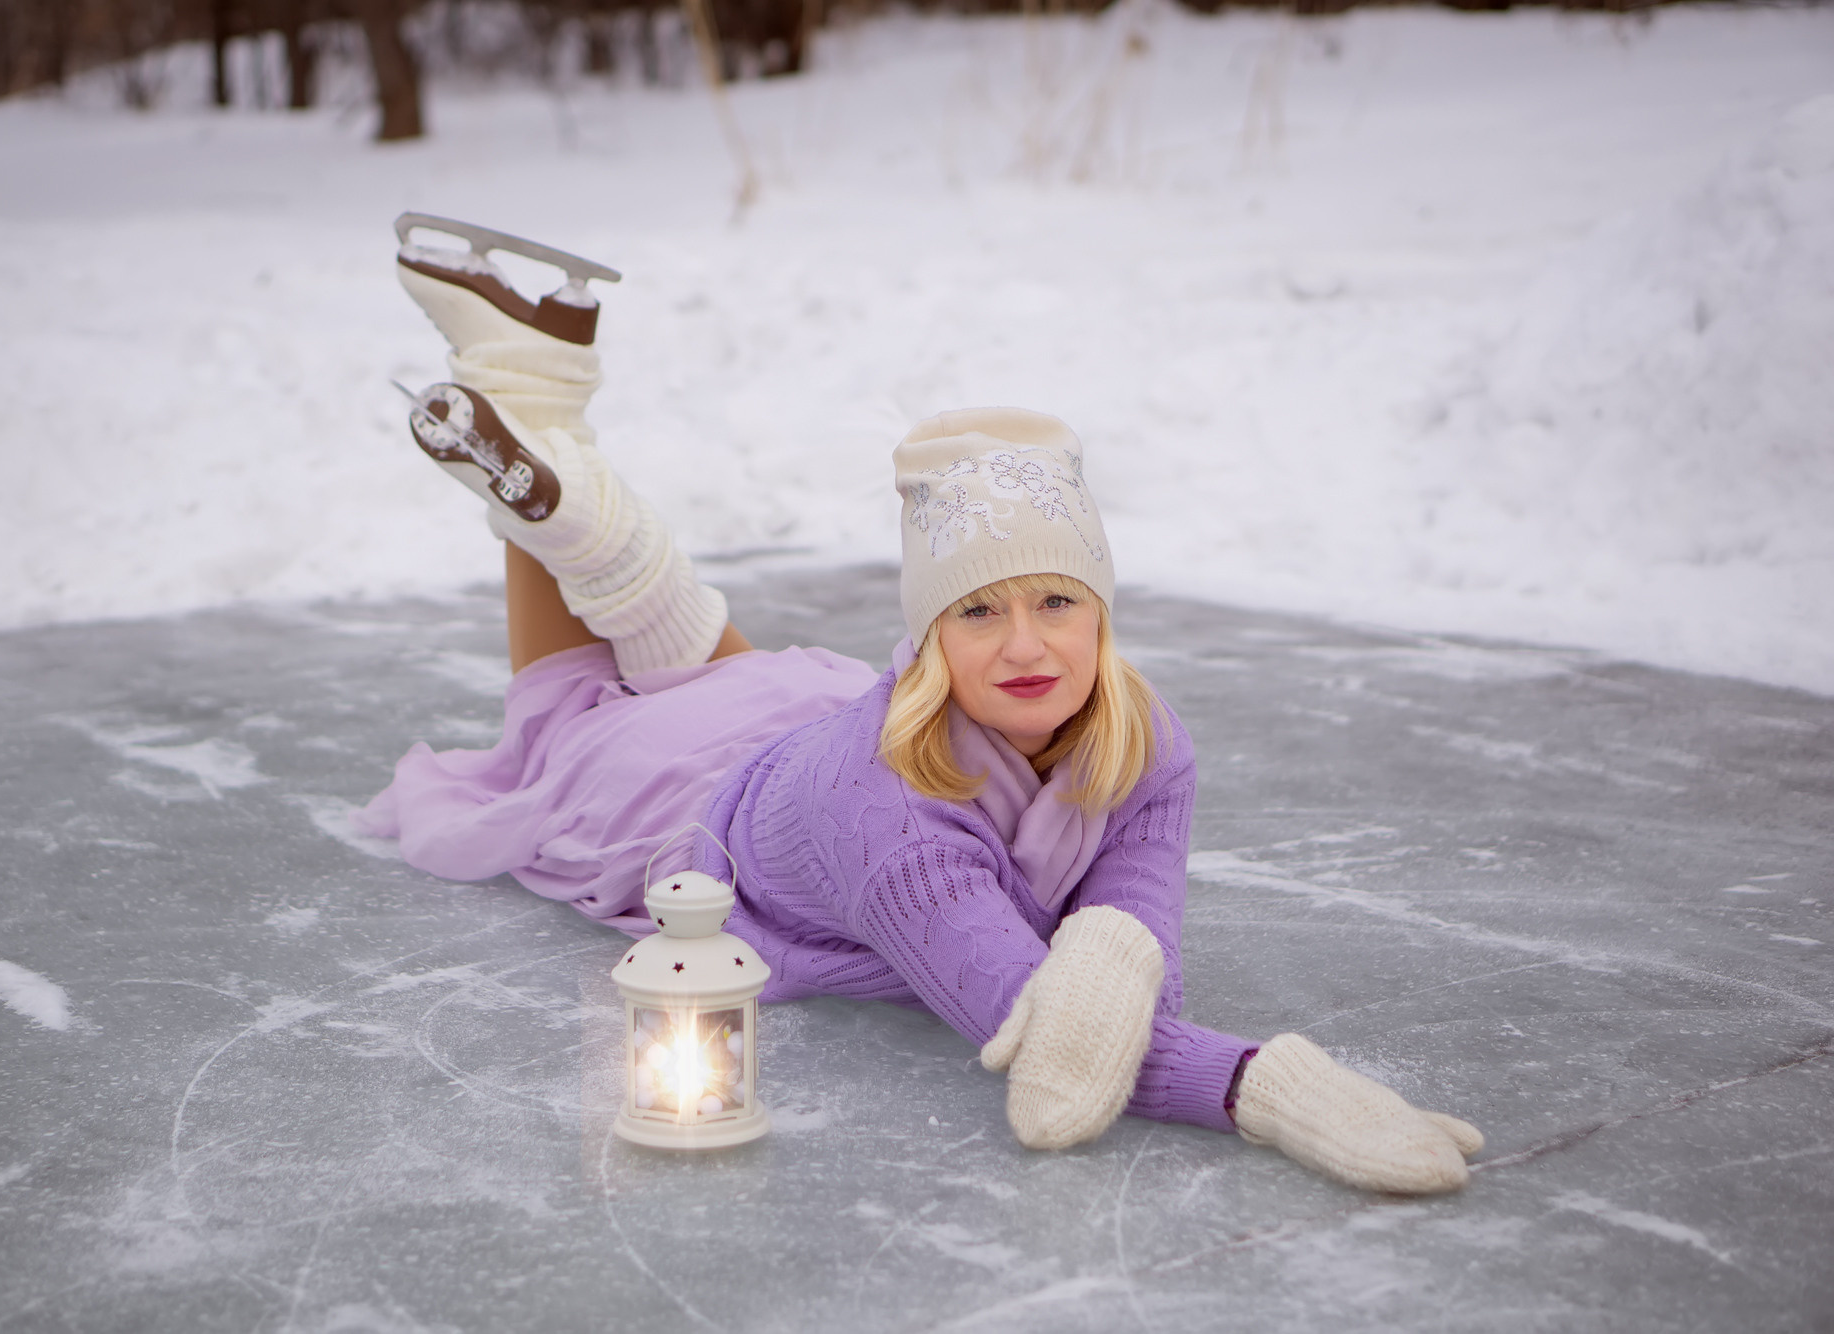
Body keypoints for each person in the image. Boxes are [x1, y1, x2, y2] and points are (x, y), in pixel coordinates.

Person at [360, 220, 1485, 1193]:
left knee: (692, 654)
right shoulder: (893, 829)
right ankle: (548, 443)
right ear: (930, 638)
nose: (1028, 644)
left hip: (799, 721)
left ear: (1103, 614)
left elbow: (1138, 962)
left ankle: (535, 384)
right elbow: (1050, 1029)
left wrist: (1122, 942)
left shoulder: (1143, 734)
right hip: (689, 802)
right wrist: (1265, 1088)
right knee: (566, 712)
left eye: (1057, 600)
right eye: (978, 612)